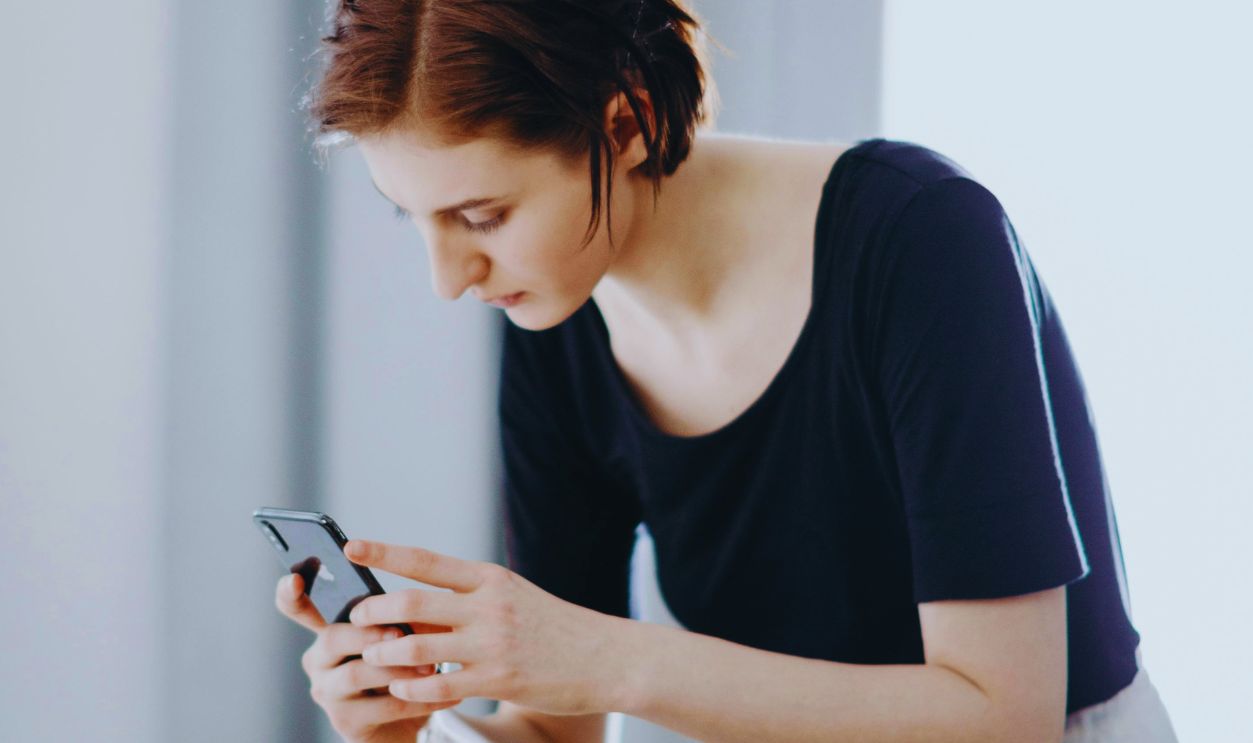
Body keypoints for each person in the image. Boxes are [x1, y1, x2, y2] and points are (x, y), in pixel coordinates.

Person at [274, 1, 1179, 741]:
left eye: (482, 215)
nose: (448, 280)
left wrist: (605, 655)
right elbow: (557, 734)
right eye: (412, 219)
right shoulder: (550, 305)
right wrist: (410, 730)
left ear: (624, 122)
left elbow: (1002, 718)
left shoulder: (920, 238)